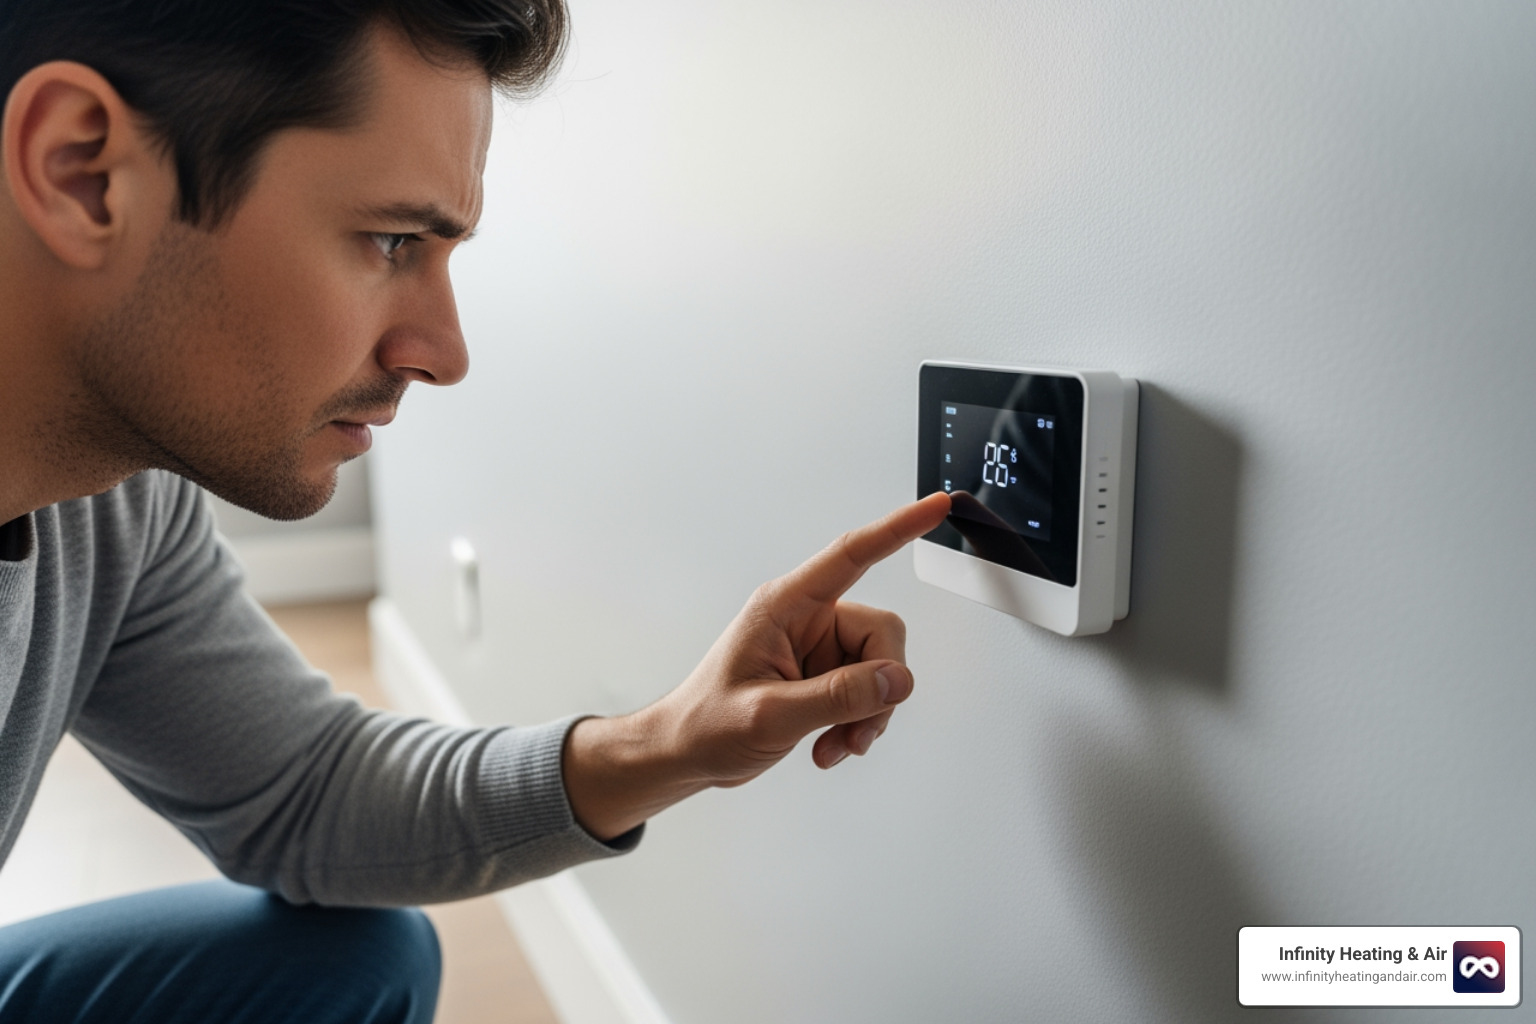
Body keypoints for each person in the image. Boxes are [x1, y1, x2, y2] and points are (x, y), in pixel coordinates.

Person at [0, 0, 952, 1020]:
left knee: (361, 962)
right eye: (390, 240)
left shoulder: (114, 507)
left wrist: (676, 741)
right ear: (82, 172)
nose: (445, 354)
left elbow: (303, 793)